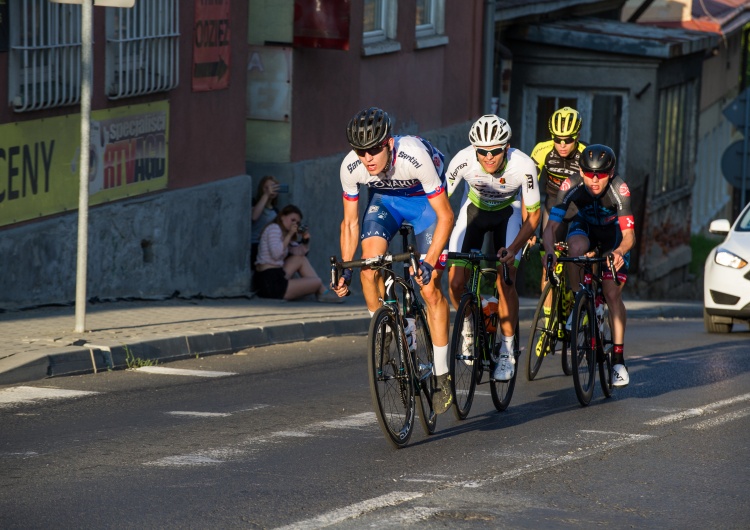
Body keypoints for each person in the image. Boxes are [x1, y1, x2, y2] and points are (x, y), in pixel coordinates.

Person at [331, 107, 455, 414]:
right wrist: (345, 269)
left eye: (374, 150)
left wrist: (428, 262)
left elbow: (445, 216)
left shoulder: (414, 155)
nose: (368, 159)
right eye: (361, 152)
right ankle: (384, 329)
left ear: (388, 144)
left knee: (428, 288)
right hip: (386, 203)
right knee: (368, 265)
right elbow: (349, 224)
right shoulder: (351, 167)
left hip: (426, 203)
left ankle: (441, 374)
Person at [446, 114, 541, 382]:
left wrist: (513, 248)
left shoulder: (524, 165)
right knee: (454, 283)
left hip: (507, 214)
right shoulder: (463, 160)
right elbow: (438, 200)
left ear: (506, 147)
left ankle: (507, 351)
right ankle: (468, 325)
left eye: (495, 151)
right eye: (482, 152)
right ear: (474, 149)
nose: (488, 157)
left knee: (505, 279)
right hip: (474, 211)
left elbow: (534, 216)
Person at [543, 144, 635, 387]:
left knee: (611, 293)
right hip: (585, 226)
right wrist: (550, 251)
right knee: (574, 250)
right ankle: (578, 302)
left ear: (611, 173)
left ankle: (617, 359)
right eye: (588, 173)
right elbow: (551, 227)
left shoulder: (620, 189)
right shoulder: (570, 185)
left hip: (612, 235)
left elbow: (629, 236)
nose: (594, 180)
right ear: (581, 172)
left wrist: (619, 251)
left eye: (601, 175)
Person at [255, 204, 343, 303]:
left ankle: (323, 292)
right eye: (292, 220)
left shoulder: (284, 233)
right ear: (282, 217)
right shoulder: (274, 229)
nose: (294, 224)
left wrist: (305, 240)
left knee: (300, 259)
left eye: (297, 222)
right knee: (317, 281)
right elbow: (276, 254)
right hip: (269, 280)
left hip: (276, 274)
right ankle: (322, 292)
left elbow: (299, 253)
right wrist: (290, 235)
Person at [530, 106, 587, 244]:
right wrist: (529, 226)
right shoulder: (542, 150)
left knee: (580, 254)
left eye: (568, 140)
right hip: (554, 203)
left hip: (579, 206)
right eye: (557, 139)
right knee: (547, 254)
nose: (562, 145)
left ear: (577, 136)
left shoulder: (586, 153)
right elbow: (529, 188)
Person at [251, 176, 281, 272]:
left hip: (270, 246)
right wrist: (266, 195)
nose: (270, 189)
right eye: (266, 187)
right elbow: (254, 217)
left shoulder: (276, 211)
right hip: (255, 245)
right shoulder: (254, 203)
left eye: (273, 186)